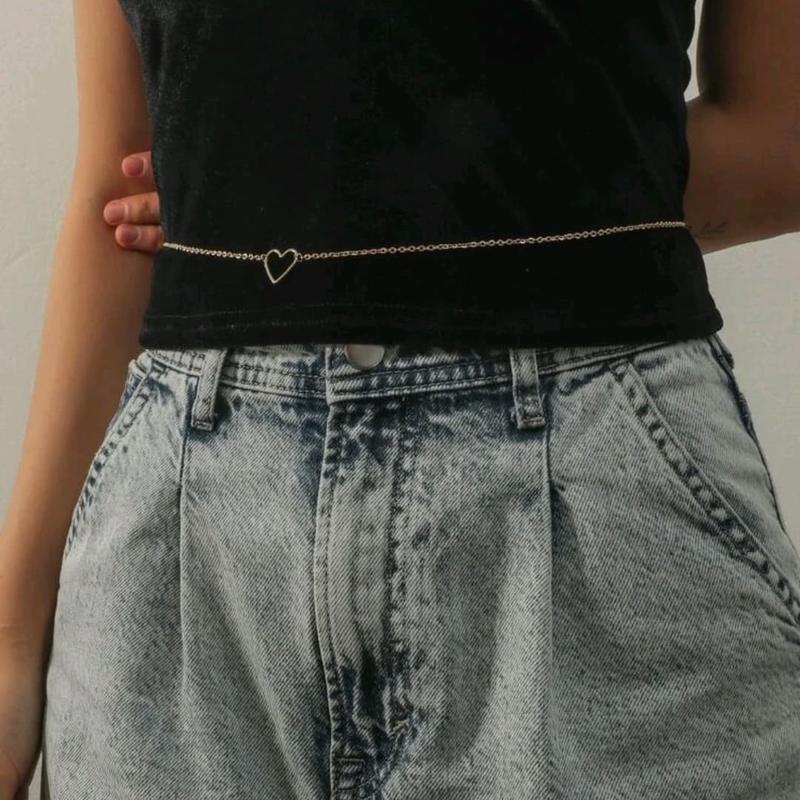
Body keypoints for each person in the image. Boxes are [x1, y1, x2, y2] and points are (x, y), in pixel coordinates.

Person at [1, 1, 799, 798]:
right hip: (185, 548)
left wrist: (360, 198)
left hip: (594, 498)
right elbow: (117, 198)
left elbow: (779, 142)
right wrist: (11, 637)